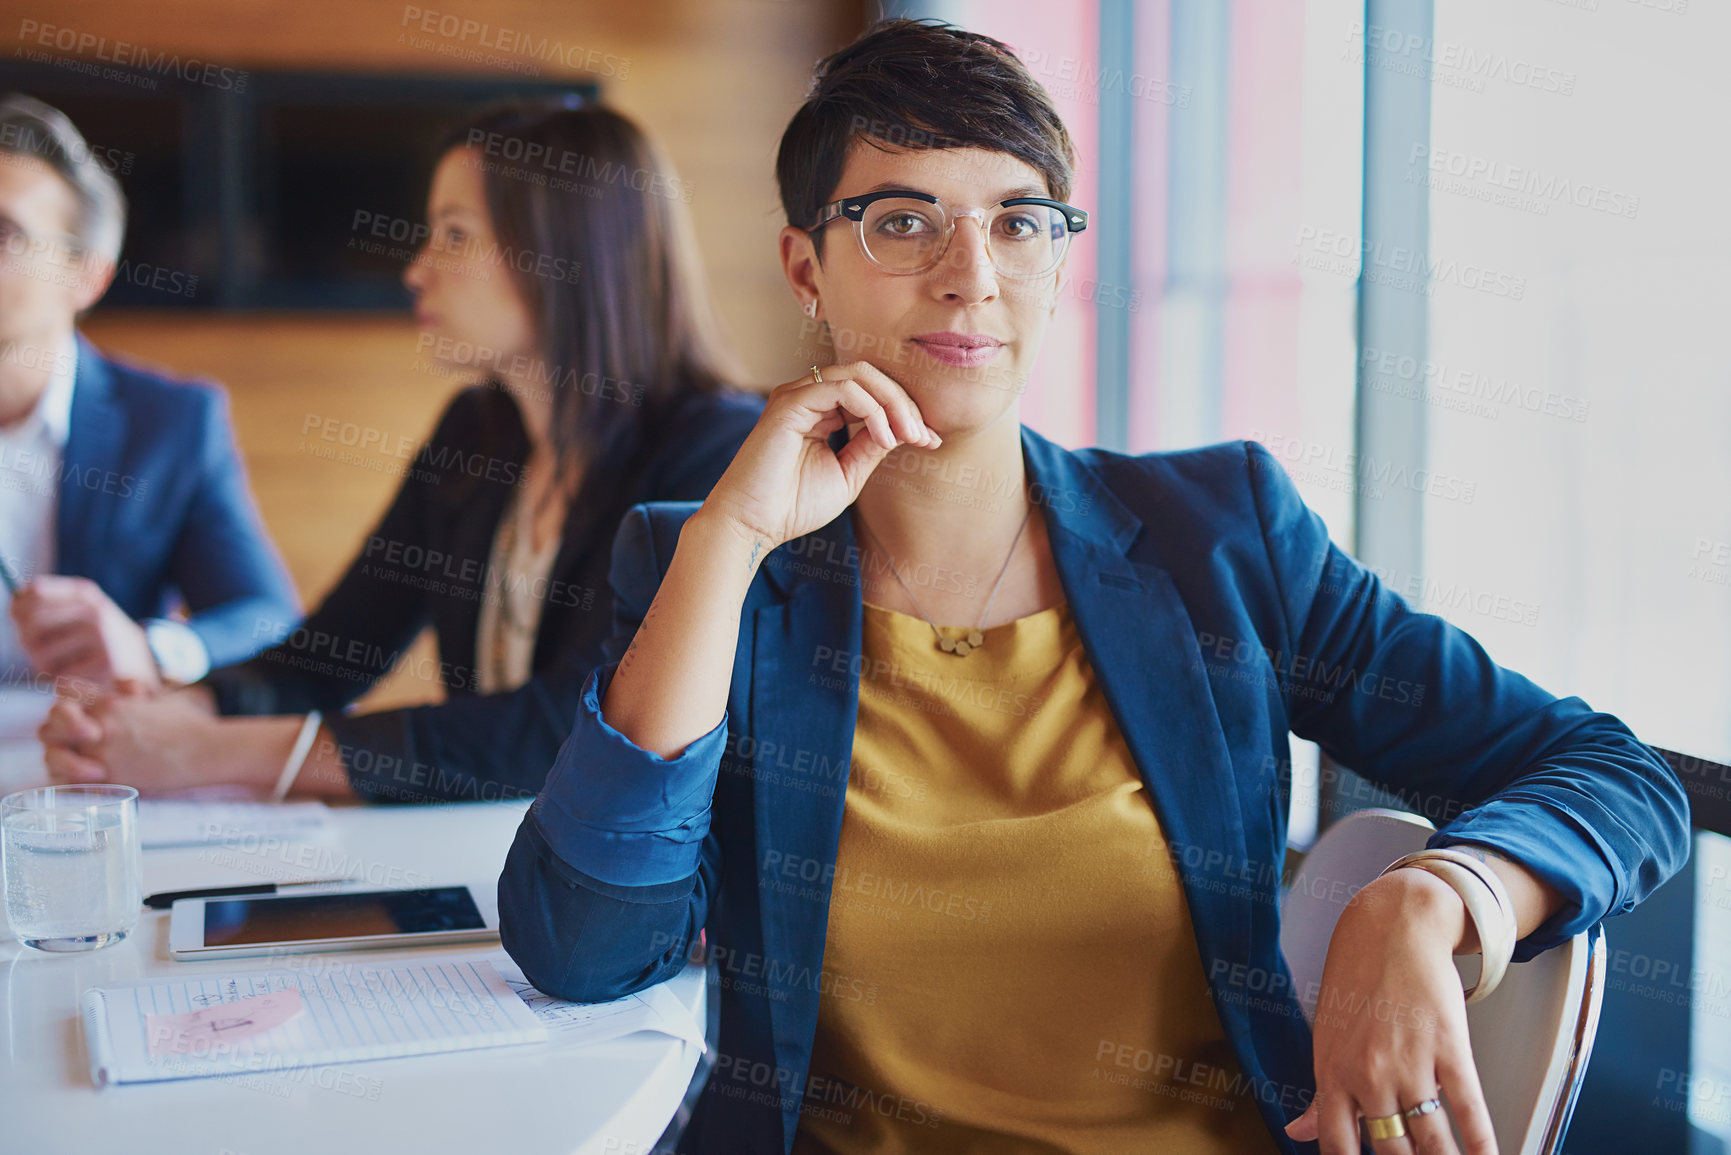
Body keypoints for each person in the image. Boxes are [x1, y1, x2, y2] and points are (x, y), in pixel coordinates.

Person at [495, 21, 1691, 1155]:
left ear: (1061, 259)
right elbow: (588, 952)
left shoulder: (1221, 539)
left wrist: (1435, 896)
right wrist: (731, 537)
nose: (973, 276)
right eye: (903, 221)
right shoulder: (708, 565)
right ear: (805, 267)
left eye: (1020, 223)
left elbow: (1618, 776)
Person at [40, 99, 762, 805]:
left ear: (561, 253)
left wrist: (205, 751)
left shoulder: (713, 448)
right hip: (502, 865)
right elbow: (330, 654)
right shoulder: (476, 431)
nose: (415, 269)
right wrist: (178, 713)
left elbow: (564, 730)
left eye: (453, 235)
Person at [0, 93, 298, 708]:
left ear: (87, 275)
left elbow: (267, 616)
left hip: (76, 760)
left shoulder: (171, 423)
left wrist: (154, 650)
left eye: (5, 233)